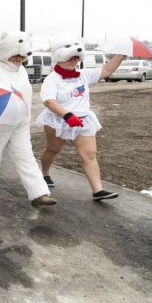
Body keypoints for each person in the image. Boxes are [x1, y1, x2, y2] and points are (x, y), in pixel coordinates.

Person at [36, 40, 125, 201]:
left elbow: (105, 70)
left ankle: (98, 191)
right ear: (59, 58)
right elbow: (49, 101)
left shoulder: (83, 74)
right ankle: (45, 173)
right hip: (58, 121)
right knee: (52, 150)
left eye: (76, 58)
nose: (73, 61)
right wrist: (68, 116)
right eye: (70, 58)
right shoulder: (52, 79)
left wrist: (120, 55)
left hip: (83, 121)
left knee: (90, 155)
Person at [0, 31, 57, 206]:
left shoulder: (21, 70)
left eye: (21, 57)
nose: (18, 59)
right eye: (15, 56)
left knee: (25, 154)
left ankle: (39, 193)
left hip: (21, 119)